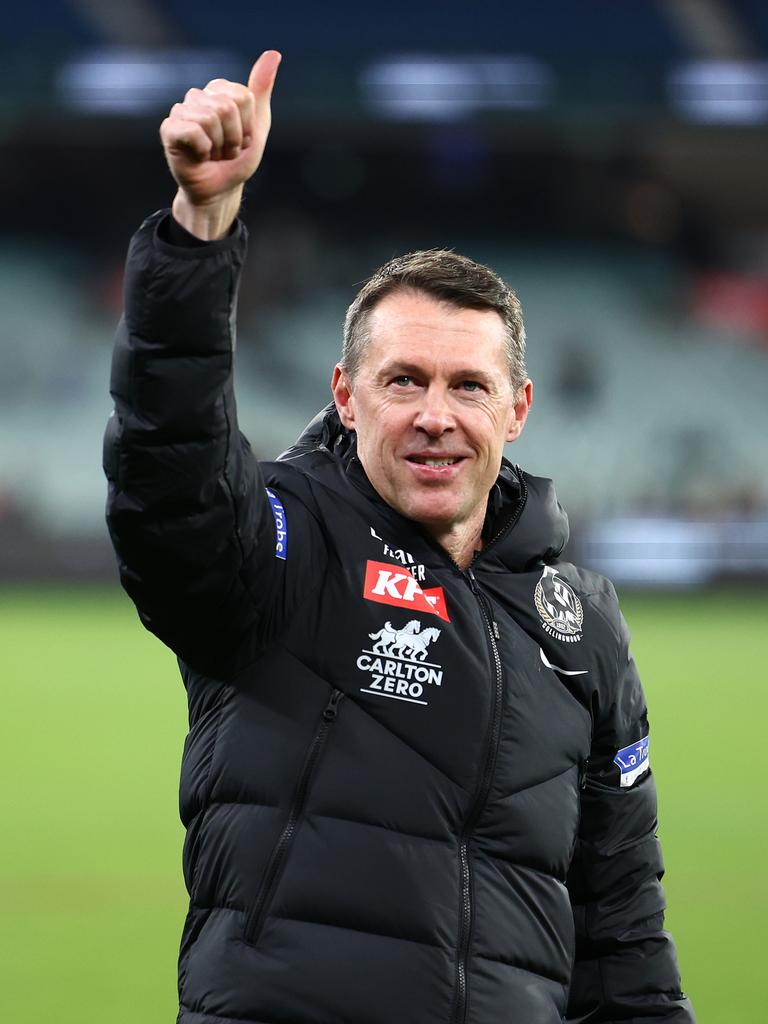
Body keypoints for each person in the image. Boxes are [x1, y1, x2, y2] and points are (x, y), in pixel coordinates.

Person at [104, 51, 695, 1024]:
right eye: (403, 379)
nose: (435, 414)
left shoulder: (581, 625)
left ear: (519, 410)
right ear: (345, 394)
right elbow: (168, 486)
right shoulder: (287, 544)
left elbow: (625, 935)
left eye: (468, 386)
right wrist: (197, 235)